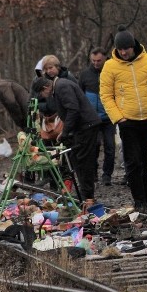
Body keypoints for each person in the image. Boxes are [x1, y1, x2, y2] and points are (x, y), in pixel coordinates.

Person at [100, 29, 147, 212]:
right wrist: (119, 118)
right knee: (133, 162)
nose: (124, 52)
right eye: (120, 49)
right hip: (128, 121)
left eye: (127, 48)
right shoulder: (110, 66)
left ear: (133, 46)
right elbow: (106, 95)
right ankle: (139, 200)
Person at [34, 75, 102, 203]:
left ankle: (87, 196)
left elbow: (73, 109)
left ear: (45, 87)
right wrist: (65, 132)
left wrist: (65, 132)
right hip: (82, 127)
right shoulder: (61, 86)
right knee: (78, 160)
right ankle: (85, 194)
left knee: (83, 161)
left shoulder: (62, 87)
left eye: (42, 93)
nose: (44, 96)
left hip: (86, 127)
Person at [79, 47, 119, 186]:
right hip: (92, 118)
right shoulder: (85, 74)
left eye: (99, 61)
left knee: (110, 147)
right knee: (94, 146)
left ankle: (107, 175)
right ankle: (94, 172)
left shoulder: (111, 71)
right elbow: (80, 95)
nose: (96, 63)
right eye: (93, 61)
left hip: (109, 117)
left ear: (105, 59)